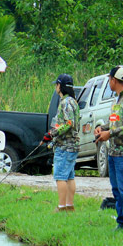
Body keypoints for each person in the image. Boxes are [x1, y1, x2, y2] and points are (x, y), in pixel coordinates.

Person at [94, 66, 123, 232]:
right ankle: (121, 222)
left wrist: (110, 133)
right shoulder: (116, 100)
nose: (109, 83)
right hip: (113, 152)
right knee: (117, 189)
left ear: (114, 80)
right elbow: (115, 122)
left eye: (109, 80)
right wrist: (103, 129)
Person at [45, 73, 80, 212]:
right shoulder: (73, 102)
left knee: (60, 177)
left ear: (60, 86)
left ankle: (61, 207)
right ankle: (69, 206)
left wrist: (52, 133)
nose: (55, 87)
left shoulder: (65, 103)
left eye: (56, 85)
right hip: (72, 146)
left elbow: (69, 124)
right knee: (69, 176)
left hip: (64, 147)